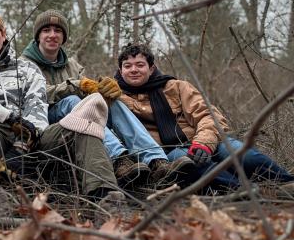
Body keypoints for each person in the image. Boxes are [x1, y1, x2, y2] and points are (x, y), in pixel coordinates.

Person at [0, 9, 121, 214]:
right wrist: (7, 116)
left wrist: (22, 145)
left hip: (31, 137)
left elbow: (37, 108)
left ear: (3, 35)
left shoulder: (27, 69)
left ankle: (107, 199)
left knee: (83, 121)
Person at [22, 10, 190, 187]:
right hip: (45, 124)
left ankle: (156, 160)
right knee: (72, 100)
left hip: (77, 118)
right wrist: (74, 86)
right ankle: (119, 158)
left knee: (112, 102)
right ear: (38, 35)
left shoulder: (72, 64)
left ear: (63, 36)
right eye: (46, 30)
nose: (52, 35)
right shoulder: (24, 64)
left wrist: (105, 92)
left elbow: (89, 95)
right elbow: (31, 96)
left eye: (58, 30)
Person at [116, 43, 294, 194]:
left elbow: (208, 115)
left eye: (140, 64)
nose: (134, 70)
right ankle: (247, 192)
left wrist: (203, 143)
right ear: (120, 70)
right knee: (190, 164)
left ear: (151, 68)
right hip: (167, 152)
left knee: (242, 155)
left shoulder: (176, 87)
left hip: (203, 139)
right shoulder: (115, 97)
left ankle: (286, 184)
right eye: (128, 66)